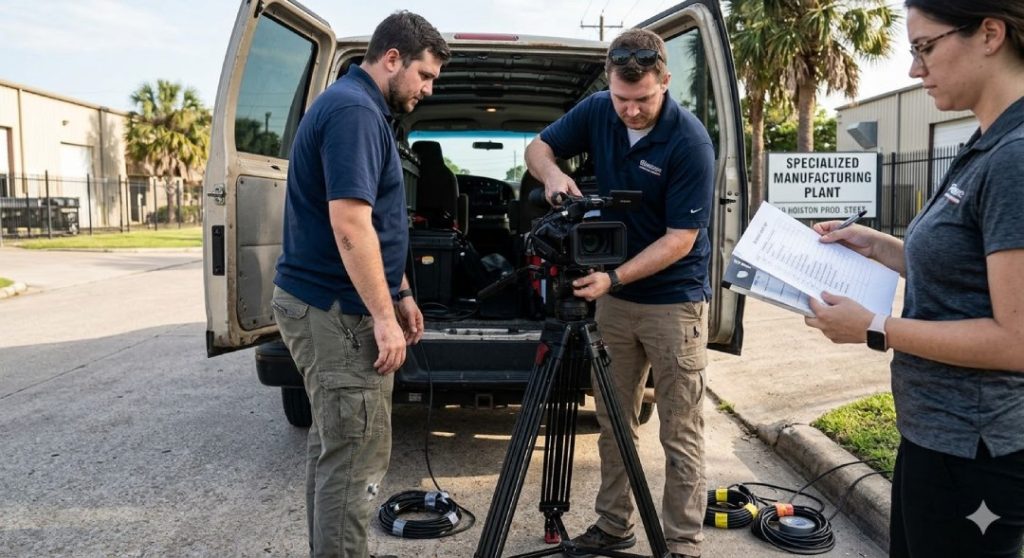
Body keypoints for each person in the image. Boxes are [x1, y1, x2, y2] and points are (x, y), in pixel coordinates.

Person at [803, 1, 1024, 556]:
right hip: (936, 436)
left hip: (976, 453)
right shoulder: (985, 142)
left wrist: (875, 326)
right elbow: (968, 268)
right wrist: (876, 246)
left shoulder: (1014, 157)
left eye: (925, 47)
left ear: (990, 34)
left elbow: (1016, 340)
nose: (913, 69)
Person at [524, 28, 715, 558]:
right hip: (611, 299)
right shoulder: (597, 109)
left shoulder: (690, 141)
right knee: (613, 419)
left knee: (680, 430)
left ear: (666, 82)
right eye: (621, 99)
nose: (629, 111)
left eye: (643, 100)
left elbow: (682, 238)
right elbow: (537, 147)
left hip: (673, 303)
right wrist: (554, 175)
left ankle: (682, 543)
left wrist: (614, 278)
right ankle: (613, 525)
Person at [270, 11, 449, 558]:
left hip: (330, 302)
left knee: (337, 451)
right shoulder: (353, 112)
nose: (426, 89)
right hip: (335, 311)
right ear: (392, 58)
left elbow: (374, 227)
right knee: (354, 459)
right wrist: (382, 317)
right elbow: (349, 223)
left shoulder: (361, 108)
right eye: (424, 75)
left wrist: (400, 293)